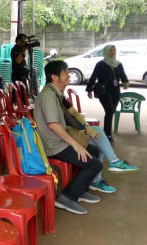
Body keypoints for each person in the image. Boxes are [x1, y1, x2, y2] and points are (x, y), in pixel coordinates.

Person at [34, 60, 105, 215]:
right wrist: (76, 145)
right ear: (54, 77)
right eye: (65, 72)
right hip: (53, 145)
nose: (69, 75)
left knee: (95, 151)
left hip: (58, 140)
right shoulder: (48, 95)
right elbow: (54, 125)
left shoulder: (54, 93)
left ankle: (80, 191)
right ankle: (66, 198)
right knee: (95, 165)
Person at [62, 98, 138, 174]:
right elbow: (58, 125)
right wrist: (82, 130)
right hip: (61, 139)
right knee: (97, 137)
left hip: (71, 131)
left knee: (97, 137)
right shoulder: (52, 96)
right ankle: (113, 163)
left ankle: (102, 175)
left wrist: (87, 126)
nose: (67, 85)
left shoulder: (60, 95)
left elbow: (74, 112)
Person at [86, 45, 129, 142]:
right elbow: (93, 77)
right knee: (109, 111)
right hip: (104, 92)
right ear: (106, 52)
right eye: (110, 50)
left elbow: (122, 75)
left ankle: (107, 133)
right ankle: (107, 134)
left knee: (111, 112)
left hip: (116, 92)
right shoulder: (100, 64)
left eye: (114, 50)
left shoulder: (118, 64)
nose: (113, 52)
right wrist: (89, 90)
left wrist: (125, 82)